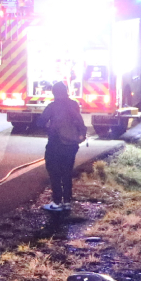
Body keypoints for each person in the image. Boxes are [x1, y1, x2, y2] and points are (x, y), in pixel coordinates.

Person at [35, 81, 88, 212]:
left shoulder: (52, 106)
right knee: (67, 172)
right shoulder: (74, 104)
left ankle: (57, 202)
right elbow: (79, 122)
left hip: (55, 144)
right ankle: (67, 202)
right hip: (71, 145)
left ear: (54, 93)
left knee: (54, 172)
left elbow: (40, 123)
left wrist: (48, 127)